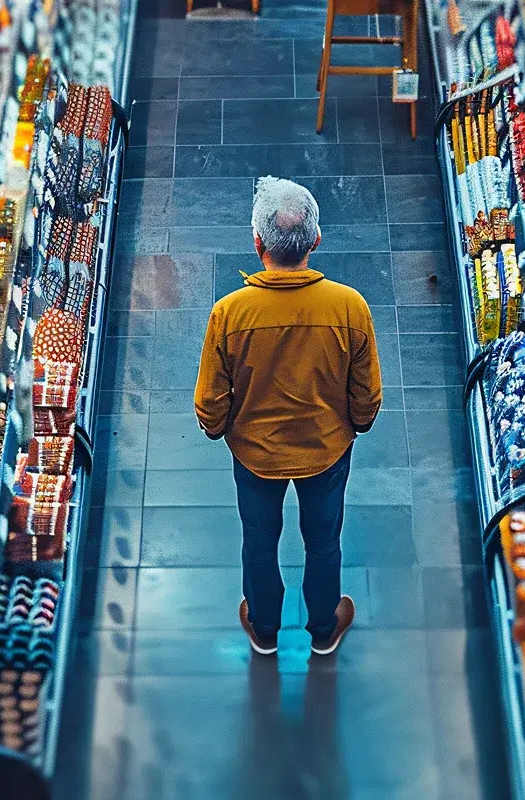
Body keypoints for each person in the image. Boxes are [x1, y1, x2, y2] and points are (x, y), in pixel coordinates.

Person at [194, 177, 382, 656]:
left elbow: (210, 400)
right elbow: (367, 393)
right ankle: (323, 627)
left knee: (259, 541)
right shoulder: (349, 307)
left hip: (256, 455)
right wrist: (356, 423)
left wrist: (218, 428)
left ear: (257, 243)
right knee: (323, 542)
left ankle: (263, 626)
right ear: (315, 241)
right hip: (326, 451)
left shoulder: (229, 313)